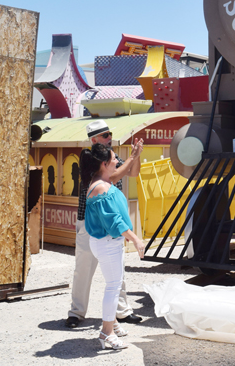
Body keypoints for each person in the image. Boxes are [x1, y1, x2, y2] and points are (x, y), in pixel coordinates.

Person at [65, 120, 144, 328]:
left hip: (108, 222)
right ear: (94, 139)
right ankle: (76, 313)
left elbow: (133, 172)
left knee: (118, 270)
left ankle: (122, 311)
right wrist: (133, 156)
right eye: (105, 135)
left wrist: (137, 155)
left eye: (109, 134)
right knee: (83, 268)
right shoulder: (90, 158)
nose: (110, 138)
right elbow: (113, 176)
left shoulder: (112, 157)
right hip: (90, 223)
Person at [81, 143, 146, 350]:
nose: (117, 161)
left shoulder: (103, 181)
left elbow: (121, 173)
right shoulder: (101, 186)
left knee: (113, 285)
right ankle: (106, 333)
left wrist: (134, 156)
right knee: (113, 286)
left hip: (108, 242)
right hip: (107, 242)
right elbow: (115, 222)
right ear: (104, 163)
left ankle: (112, 324)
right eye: (114, 159)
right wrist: (135, 239)